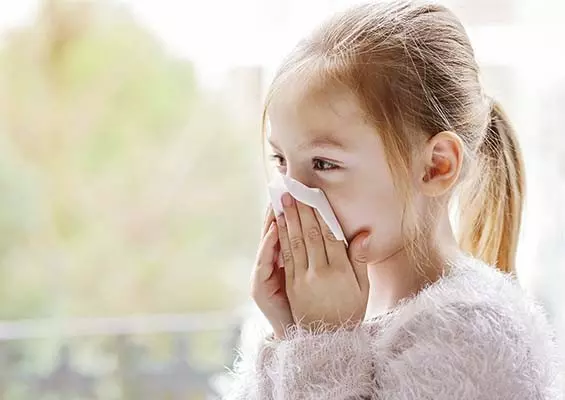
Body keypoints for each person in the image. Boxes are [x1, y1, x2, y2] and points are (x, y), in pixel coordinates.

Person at [225, 1, 564, 398]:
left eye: (324, 163)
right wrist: (292, 332)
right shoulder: (332, 314)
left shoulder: (473, 333)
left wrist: (320, 341)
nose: (289, 195)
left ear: (435, 166)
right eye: (281, 161)